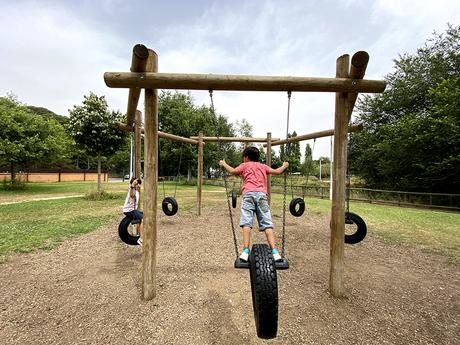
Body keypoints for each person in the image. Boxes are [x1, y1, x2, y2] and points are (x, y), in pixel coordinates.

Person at [219, 146, 289, 262]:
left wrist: (223, 163)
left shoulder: (244, 165)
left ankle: (246, 251)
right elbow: (277, 172)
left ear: (246, 157)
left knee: (246, 222)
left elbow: (232, 171)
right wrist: (284, 166)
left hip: (248, 196)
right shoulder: (263, 166)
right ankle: (275, 252)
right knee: (267, 223)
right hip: (262, 196)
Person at [123, 177, 144, 246]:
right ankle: (141, 239)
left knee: (143, 215)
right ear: (135, 184)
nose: (139, 185)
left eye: (140, 184)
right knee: (143, 219)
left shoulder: (137, 191)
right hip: (129, 211)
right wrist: (132, 185)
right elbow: (132, 196)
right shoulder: (132, 190)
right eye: (138, 184)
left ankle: (138, 232)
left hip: (133, 210)